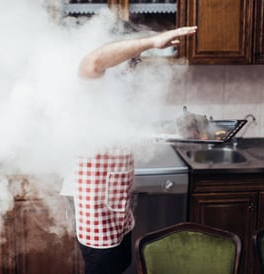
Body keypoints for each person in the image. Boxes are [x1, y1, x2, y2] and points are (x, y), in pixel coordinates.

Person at [74, 25, 197, 274]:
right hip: (98, 218)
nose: (134, 67)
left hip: (117, 210)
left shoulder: (115, 94)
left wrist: (174, 129)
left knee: (121, 266)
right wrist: (152, 41)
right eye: (131, 60)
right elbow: (95, 59)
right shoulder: (91, 81)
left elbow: (126, 130)